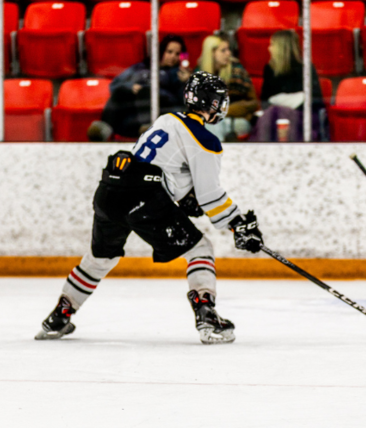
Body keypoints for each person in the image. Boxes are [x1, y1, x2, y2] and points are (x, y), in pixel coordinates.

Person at [36, 72, 265, 345]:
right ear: (212, 104)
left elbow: (157, 163)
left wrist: (182, 193)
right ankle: (206, 316)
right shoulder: (206, 140)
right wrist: (238, 224)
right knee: (200, 249)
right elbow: (210, 196)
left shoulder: (166, 119)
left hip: (110, 190)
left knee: (100, 258)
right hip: (144, 197)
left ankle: (58, 316)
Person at [88, 35, 192, 141]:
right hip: (134, 112)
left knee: (146, 91)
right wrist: (130, 87)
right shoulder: (140, 68)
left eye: (177, 54)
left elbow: (184, 103)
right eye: (169, 52)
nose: (173, 57)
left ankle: (149, 128)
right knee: (120, 91)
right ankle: (102, 130)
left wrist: (186, 82)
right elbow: (115, 84)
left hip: (162, 108)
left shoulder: (177, 73)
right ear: (161, 51)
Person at [250, 29, 325, 142]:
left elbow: (315, 100)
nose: (269, 48)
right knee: (270, 115)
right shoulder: (270, 69)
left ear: (282, 48)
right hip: (274, 116)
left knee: (282, 115)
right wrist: (295, 99)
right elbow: (266, 100)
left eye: (272, 45)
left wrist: (282, 102)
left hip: (302, 118)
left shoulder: (305, 68)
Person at [197, 35, 259, 141]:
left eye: (228, 49)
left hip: (236, 120)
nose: (228, 53)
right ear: (211, 54)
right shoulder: (199, 74)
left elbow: (254, 103)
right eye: (223, 50)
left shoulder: (237, 70)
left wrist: (226, 111)